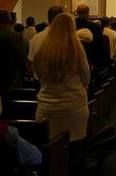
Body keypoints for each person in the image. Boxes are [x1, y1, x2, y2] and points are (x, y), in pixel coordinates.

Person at [33, 13, 90, 175]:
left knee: (50, 153)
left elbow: (37, 76)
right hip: (74, 108)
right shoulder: (77, 50)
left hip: (47, 107)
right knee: (75, 152)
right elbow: (86, 77)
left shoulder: (43, 49)